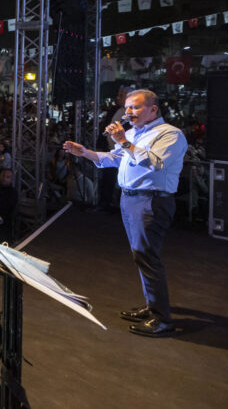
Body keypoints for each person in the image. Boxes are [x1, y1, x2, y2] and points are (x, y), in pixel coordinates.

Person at [63, 89, 187, 338]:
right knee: (140, 256)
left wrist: (124, 141)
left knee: (147, 257)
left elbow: (153, 162)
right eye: (128, 107)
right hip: (130, 200)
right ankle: (153, 307)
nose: (129, 112)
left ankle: (162, 319)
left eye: (136, 107)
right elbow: (115, 159)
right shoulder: (132, 134)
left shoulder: (170, 134)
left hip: (151, 201)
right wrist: (85, 152)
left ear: (153, 109)